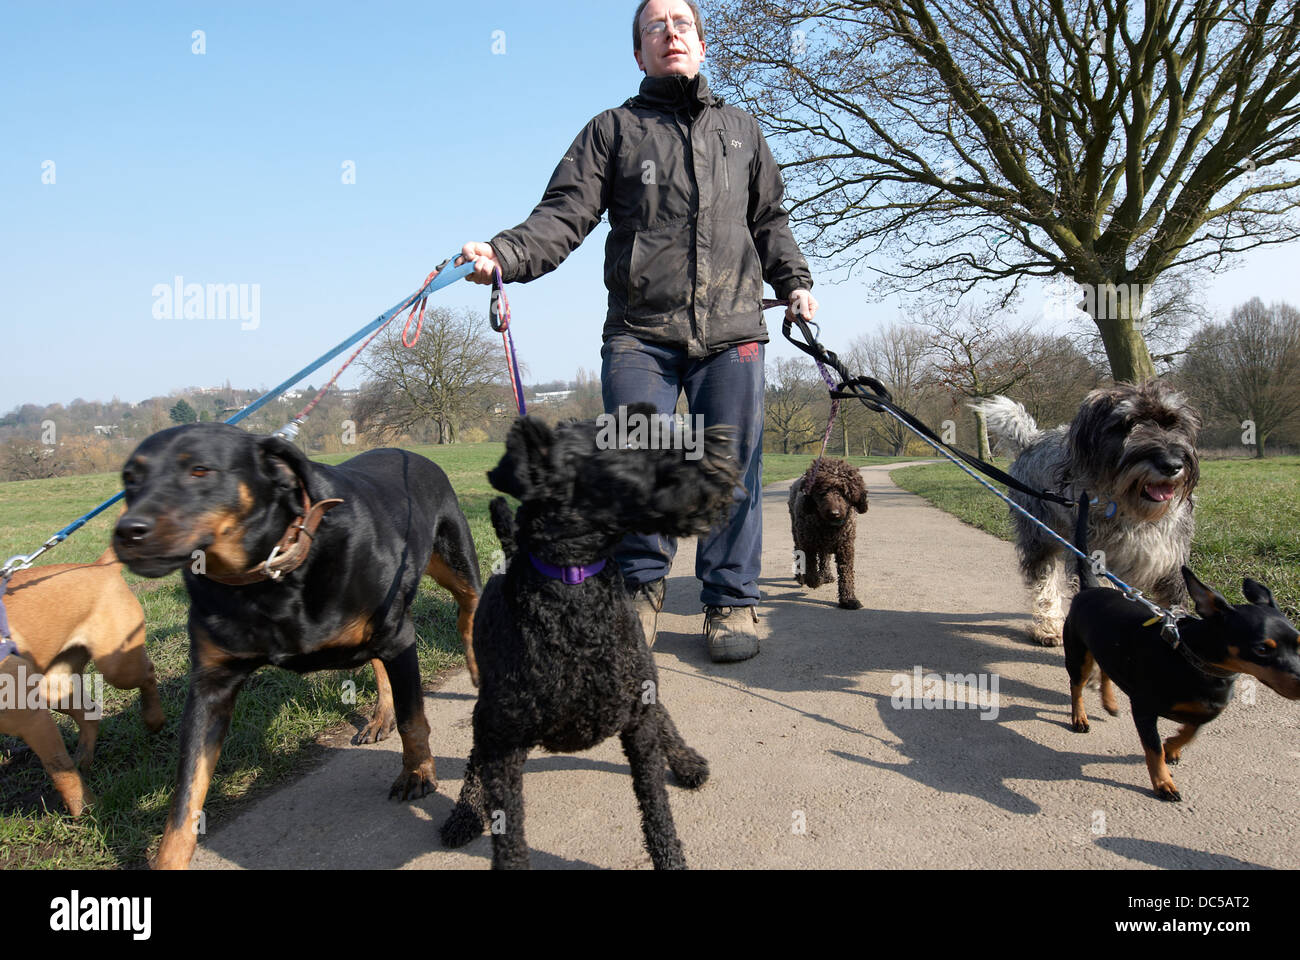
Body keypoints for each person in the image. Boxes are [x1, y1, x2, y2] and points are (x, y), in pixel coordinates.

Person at [459, 0, 818, 662]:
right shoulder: (613, 131)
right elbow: (563, 214)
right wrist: (504, 255)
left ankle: (732, 602)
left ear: (703, 46)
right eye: (655, 26)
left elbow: (769, 218)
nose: (670, 33)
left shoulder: (741, 131)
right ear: (638, 52)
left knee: (730, 469)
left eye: (682, 24)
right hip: (639, 335)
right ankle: (638, 593)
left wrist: (794, 282)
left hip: (734, 328)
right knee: (636, 464)